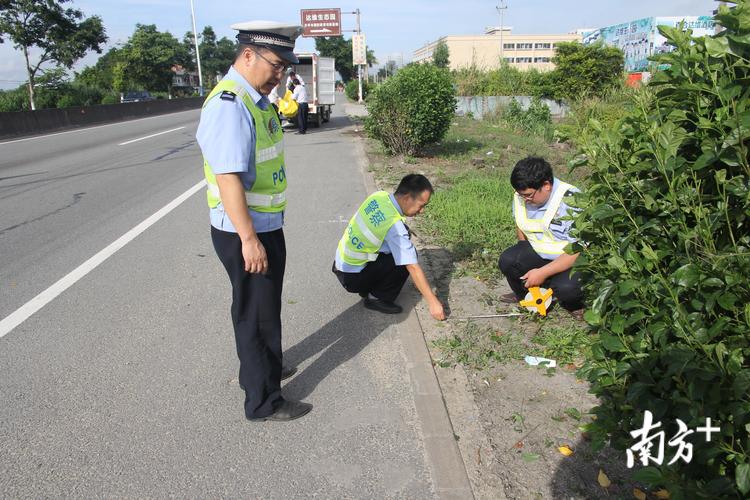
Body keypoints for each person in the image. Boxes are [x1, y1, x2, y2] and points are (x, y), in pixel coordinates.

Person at [196, 20, 312, 422]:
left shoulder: (255, 100)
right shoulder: (230, 104)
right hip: (244, 231)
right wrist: (248, 238)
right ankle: (263, 402)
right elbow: (228, 177)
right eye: (275, 65)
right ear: (248, 55)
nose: (279, 74)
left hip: (262, 227)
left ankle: (266, 367)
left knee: (265, 307)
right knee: (255, 313)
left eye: (284, 67)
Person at [332, 174, 447, 321]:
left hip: (341, 264)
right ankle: (376, 298)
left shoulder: (379, 196)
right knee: (406, 258)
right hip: (352, 278)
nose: (422, 211)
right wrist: (433, 302)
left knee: (399, 248)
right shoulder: (395, 227)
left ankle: (366, 286)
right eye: (421, 205)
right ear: (407, 198)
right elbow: (412, 266)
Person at [498, 156, 585, 315]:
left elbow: (578, 249)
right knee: (509, 260)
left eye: (529, 195)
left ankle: (575, 304)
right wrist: (522, 250)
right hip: (542, 252)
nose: (525, 199)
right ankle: (527, 296)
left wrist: (542, 272)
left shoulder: (571, 200)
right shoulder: (522, 195)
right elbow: (520, 221)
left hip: (572, 259)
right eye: (521, 195)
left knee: (566, 288)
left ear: (546, 185)